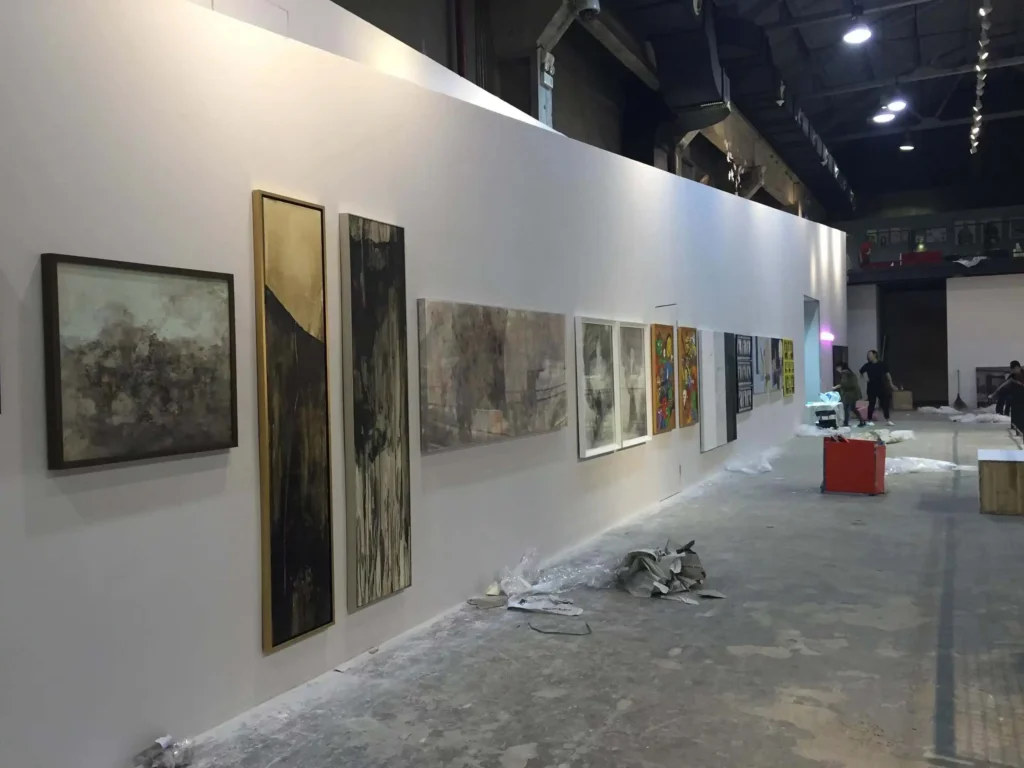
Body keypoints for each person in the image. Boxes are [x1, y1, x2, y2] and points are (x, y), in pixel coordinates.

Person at [859, 350, 897, 426]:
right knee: (871, 404)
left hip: (881, 386)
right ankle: (869, 420)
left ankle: (888, 420)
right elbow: (861, 372)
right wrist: (865, 379)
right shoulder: (867, 365)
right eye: (868, 355)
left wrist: (891, 384)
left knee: (885, 403)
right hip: (871, 387)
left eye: (870, 354)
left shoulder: (882, 364)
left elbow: (888, 374)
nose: (869, 356)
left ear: (875, 355)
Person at [992, 360, 1024, 435]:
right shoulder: (1012, 376)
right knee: (1015, 413)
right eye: (1012, 370)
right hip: (1015, 397)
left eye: (1015, 369)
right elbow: (1004, 384)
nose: (1014, 371)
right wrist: (994, 393)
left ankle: (1020, 429)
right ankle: (1016, 428)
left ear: (1018, 367)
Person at [833, 363, 866, 428]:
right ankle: (861, 421)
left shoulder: (844, 373)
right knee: (853, 408)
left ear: (840, 367)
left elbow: (844, 383)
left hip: (849, 393)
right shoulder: (850, 373)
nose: (837, 370)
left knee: (846, 408)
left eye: (837, 368)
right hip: (855, 392)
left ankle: (846, 423)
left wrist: (836, 387)